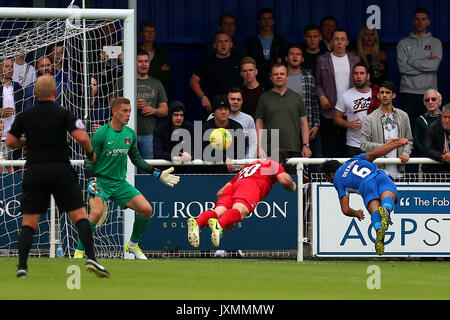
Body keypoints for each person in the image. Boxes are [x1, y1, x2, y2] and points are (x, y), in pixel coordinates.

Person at [5, 74, 109, 278]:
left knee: (29, 222)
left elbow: (9, 141)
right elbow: (82, 137)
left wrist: (27, 141)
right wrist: (90, 153)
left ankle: (22, 267)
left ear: (35, 93)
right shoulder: (64, 113)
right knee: (79, 216)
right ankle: (92, 259)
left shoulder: (25, 116)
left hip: (36, 171)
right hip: (61, 170)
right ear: (55, 92)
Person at [73, 97, 180, 260]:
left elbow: (136, 159)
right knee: (96, 213)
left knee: (146, 209)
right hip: (101, 182)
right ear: (114, 111)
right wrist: (92, 181)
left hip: (120, 183)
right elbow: (89, 161)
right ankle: (79, 252)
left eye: (130, 111)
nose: (129, 114)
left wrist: (157, 173)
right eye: (125, 111)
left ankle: (132, 244)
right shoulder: (101, 134)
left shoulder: (129, 134)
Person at [187, 150, 296, 248]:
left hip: (235, 185)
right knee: (241, 211)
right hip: (250, 186)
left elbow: (220, 192)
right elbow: (284, 181)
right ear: (281, 163)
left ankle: (197, 223)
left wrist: (228, 218)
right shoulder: (273, 164)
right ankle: (219, 225)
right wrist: (292, 185)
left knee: (218, 212)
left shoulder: (250, 166)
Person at [320, 138, 410, 256]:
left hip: (366, 185)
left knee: (374, 210)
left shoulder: (338, 179)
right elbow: (376, 153)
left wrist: (356, 213)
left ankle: (379, 231)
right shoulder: (353, 160)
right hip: (379, 176)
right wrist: (398, 144)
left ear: (331, 174)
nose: (330, 181)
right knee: (388, 194)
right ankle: (387, 209)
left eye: (328, 179)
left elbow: (345, 209)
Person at [256, 63, 311, 170]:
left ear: (287, 76)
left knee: (293, 184)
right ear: (271, 77)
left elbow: (304, 122)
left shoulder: (296, 97)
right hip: (270, 149)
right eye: (276, 74)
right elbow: (259, 122)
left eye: (282, 74)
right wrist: (259, 146)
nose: (279, 76)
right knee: (269, 184)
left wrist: (306, 145)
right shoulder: (264, 98)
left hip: (293, 148)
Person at [315, 28, 360, 157]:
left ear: (347, 42)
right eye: (336, 39)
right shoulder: (322, 60)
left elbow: (361, 82)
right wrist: (322, 96)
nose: (339, 42)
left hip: (351, 112)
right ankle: (330, 176)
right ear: (331, 42)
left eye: (342, 39)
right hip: (330, 111)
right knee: (329, 149)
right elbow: (317, 83)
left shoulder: (354, 60)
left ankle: (349, 177)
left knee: (350, 150)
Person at [397, 8, 443, 132]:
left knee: (431, 129)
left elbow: (434, 66)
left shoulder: (435, 43)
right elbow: (403, 68)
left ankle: (428, 152)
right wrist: (426, 61)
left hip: (429, 93)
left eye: (423, 19)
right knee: (407, 130)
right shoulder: (403, 43)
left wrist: (411, 61)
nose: (420, 22)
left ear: (428, 22)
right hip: (408, 92)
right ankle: (407, 152)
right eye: (417, 19)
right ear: (413, 21)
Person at [360, 81, 413, 179]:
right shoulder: (370, 118)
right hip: (377, 173)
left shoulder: (403, 116)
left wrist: (406, 153)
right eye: (382, 92)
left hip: (399, 172)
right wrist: (385, 147)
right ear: (378, 95)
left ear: (393, 95)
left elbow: (409, 140)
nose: (384, 95)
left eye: (387, 92)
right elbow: (363, 144)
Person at [190, 31, 242, 119]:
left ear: (231, 44)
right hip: (214, 107)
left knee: (236, 132)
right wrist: (203, 97)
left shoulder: (239, 60)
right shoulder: (207, 62)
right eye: (220, 42)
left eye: (226, 41)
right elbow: (193, 81)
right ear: (214, 45)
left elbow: (248, 78)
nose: (223, 44)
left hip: (235, 107)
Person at [285, 44, 322, 161]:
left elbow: (314, 102)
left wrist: (316, 124)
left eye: (298, 54)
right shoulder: (281, 77)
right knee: (290, 159)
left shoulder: (309, 77)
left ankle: (314, 180)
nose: (295, 56)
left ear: (302, 59)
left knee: (314, 158)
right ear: (286, 58)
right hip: (288, 128)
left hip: (308, 125)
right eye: (292, 54)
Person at [136, 49, 169, 163]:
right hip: (127, 133)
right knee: (127, 169)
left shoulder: (157, 84)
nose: (144, 64)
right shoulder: (124, 82)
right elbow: (112, 104)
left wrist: (154, 110)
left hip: (148, 134)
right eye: (140, 61)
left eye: (146, 61)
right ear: (134, 63)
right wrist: (131, 106)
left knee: (146, 169)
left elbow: (165, 110)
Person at [199, 95, 245, 174]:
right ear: (214, 112)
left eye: (226, 109)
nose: (223, 112)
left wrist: (241, 161)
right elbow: (204, 152)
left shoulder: (237, 127)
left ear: (229, 111)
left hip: (231, 172)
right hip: (209, 173)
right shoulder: (205, 128)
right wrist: (224, 158)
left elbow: (240, 151)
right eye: (220, 109)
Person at [334, 63, 373, 157]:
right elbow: (336, 118)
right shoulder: (345, 95)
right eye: (356, 73)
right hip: (354, 143)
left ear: (368, 76)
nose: (358, 77)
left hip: (374, 143)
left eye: (362, 73)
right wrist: (348, 124)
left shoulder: (377, 94)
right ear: (352, 76)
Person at [246, 8, 289, 91]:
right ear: (258, 22)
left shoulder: (280, 41)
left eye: (269, 19)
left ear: (273, 21)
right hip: (258, 82)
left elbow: (284, 63)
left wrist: (262, 63)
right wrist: (274, 61)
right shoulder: (252, 42)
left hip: (278, 81)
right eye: (263, 19)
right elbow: (254, 64)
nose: (267, 21)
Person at [208, 88, 257, 159]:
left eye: (238, 99)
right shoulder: (212, 117)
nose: (236, 102)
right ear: (227, 101)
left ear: (242, 101)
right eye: (232, 99)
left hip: (240, 164)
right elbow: (206, 143)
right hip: (218, 163)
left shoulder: (248, 119)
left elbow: (253, 143)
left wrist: (246, 160)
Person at [0, 58, 27, 173]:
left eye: (12, 66)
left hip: (14, 137)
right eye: (7, 66)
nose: (10, 69)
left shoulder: (18, 88)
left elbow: (22, 112)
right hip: (0, 137)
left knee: (15, 172)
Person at [153, 100, 194, 173]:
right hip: (164, 171)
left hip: (185, 172)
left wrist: (190, 155)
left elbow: (197, 149)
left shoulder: (190, 128)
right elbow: (157, 152)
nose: (179, 118)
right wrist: (172, 157)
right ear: (170, 115)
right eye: (176, 115)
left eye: (181, 115)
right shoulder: (160, 128)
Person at [138, 21, 173, 88]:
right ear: (141, 34)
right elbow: (133, 73)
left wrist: (144, 72)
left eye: (152, 31)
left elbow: (167, 75)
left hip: (157, 90)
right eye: (147, 31)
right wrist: (158, 71)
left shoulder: (161, 53)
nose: (150, 34)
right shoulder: (135, 52)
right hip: (138, 88)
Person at [413, 90, 442, 160]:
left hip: (446, 159)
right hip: (427, 159)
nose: (430, 102)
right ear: (424, 103)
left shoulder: (446, 118)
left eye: (433, 99)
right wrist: (433, 154)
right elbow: (418, 142)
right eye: (427, 100)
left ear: (440, 102)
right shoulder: (420, 120)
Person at [423, 103, 450, 174]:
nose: (447, 121)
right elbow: (428, 149)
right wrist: (444, 156)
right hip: (435, 172)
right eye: (445, 117)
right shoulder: (432, 127)